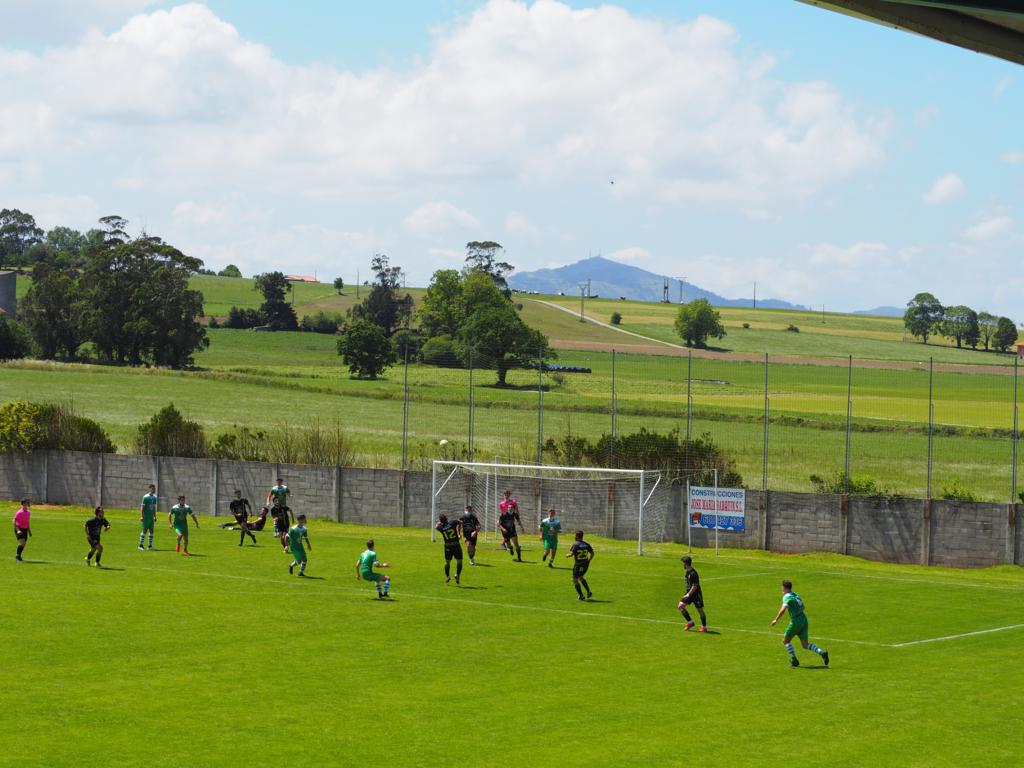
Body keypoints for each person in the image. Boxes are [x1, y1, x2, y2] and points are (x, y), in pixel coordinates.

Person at [770, 580, 829, 668]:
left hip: (796, 621)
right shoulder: (795, 594)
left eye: (782, 587)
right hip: (803, 619)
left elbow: (783, 609)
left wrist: (775, 619)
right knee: (805, 645)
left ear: (784, 588)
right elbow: (803, 606)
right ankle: (822, 653)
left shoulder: (787, 596)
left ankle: (794, 660)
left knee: (786, 641)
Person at [678, 556, 708, 632]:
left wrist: (688, 595)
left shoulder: (693, 573)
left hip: (696, 594)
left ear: (685, 563)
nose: (682, 565)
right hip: (689, 592)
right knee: (681, 606)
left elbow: (695, 586)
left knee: (700, 610)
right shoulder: (687, 572)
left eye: (683, 563)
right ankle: (690, 623)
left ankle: (704, 627)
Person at [566, 530, 594, 601]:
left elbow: (571, 554)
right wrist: (589, 560)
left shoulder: (576, 544)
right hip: (585, 564)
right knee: (580, 577)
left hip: (578, 565)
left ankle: (581, 596)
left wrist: (567, 555)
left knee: (574, 579)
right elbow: (592, 553)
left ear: (577, 536)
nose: (574, 536)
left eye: (575, 535)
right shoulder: (586, 544)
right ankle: (589, 591)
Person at [435, 513, 463, 584]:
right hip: (456, 545)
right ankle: (457, 575)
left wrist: (438, 524)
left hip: (447, 546)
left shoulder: (441, 528)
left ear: (440, 520)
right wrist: (459, 533)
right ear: (447, 518)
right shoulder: (452, 522)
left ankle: (447, 576)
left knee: (447, 562)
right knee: (459, 561)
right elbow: (460, 522)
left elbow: (436, 527)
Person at [498, 489, 523, 561]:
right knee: (508, 545)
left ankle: (519, 558)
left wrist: (521, 526)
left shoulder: (513, 502)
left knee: (516, 544)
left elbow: (517, 513)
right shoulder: (501, 505)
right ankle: (510, 548)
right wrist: (501, 524)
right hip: (504, 526)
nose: (506, 495)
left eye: (508, 494)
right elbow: (501, 514)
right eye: (505, 494)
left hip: (511, 527)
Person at [139, 484, 158, 550]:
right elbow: (142, 507)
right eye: (153, 488)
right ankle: (140, 545)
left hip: (151, 517)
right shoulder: (145, 497)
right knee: (144, 530)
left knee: (151, 531)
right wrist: (142, 516)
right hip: (146, 516)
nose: (154, 490)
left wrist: (155, 516)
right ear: (150, 489)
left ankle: (149, 546)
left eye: (154, 488)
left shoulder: (155, 497)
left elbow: (153, 507)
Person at [13, 498, 31, 562]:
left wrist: (29, 531)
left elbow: (27, 522)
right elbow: (14, 521)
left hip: (25, 529)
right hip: (19, 528)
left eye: (29, 502)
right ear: (23, 504)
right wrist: (18, 530)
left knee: (24, 544)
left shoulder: (28, 512)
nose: (29, 504)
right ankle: (17, 556)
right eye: (27, 502)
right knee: (22, 542)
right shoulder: (19, 512)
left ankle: (19, 556)